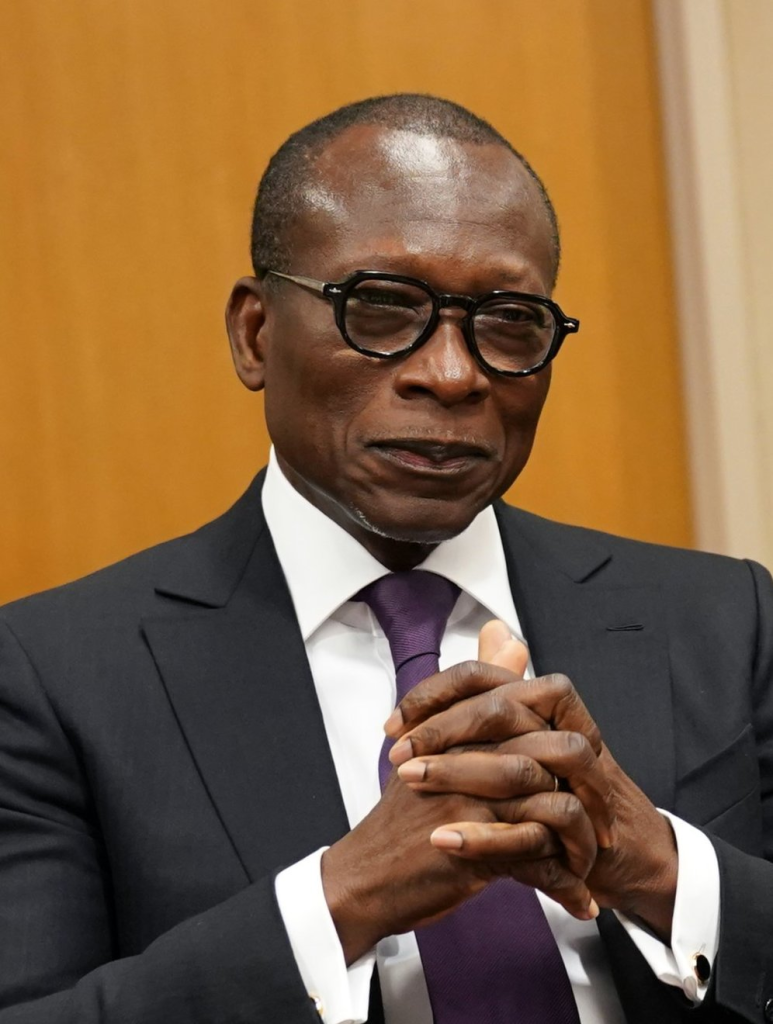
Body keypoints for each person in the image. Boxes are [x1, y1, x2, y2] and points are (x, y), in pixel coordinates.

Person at [0, 93, 771, 1024]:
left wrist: (656, 865)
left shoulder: (724, 622)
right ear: (254, 333)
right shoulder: (51, 677)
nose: (451, 373)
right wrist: (338, 904)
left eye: (510, 319)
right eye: (381, 307)